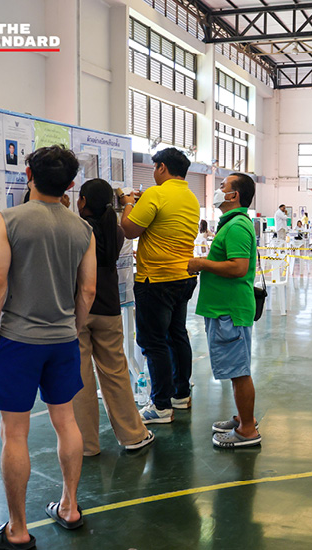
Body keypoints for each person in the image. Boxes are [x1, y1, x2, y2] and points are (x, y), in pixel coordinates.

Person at [0, 145, 96, 548]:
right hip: (63, 339)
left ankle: (17, 529)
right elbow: (89, 289)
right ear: (69, 184)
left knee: (15, 432)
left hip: (18, 340)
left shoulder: (9, 220)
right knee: (66, 421)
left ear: (28, 174)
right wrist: (73, 328)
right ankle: (70, 506)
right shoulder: (82, 229)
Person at [72, 178, 154, 455]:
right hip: (108, 309)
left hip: (79, 310)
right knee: (116, 374)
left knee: (81, 379)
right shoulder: (116, 231)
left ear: (82, 201)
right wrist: (127, 202)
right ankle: (133, 435)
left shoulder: (78, 230)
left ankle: (86, 445)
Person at [120, 147, 199, 424]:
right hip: (184, 277)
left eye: (154, 168)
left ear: (162, 168)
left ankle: (161, 406)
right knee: (177, 335)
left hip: (156, 279)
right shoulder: (190, 198)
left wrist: (128, 202)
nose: (153, 173)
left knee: (153, 343)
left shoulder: (155, 194)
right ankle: (180, 394)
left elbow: (129, 229)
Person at [188, 174, 261, 449]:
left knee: (239, 371)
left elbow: (239, 267)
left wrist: (202, 264)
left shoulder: (238, 226)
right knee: (235, 368)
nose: (219, 190)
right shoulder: (231, 224)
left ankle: (248, 430)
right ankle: (243, 417)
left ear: (235, 196)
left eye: (223, 187)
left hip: (230, 311)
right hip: (223, 309)